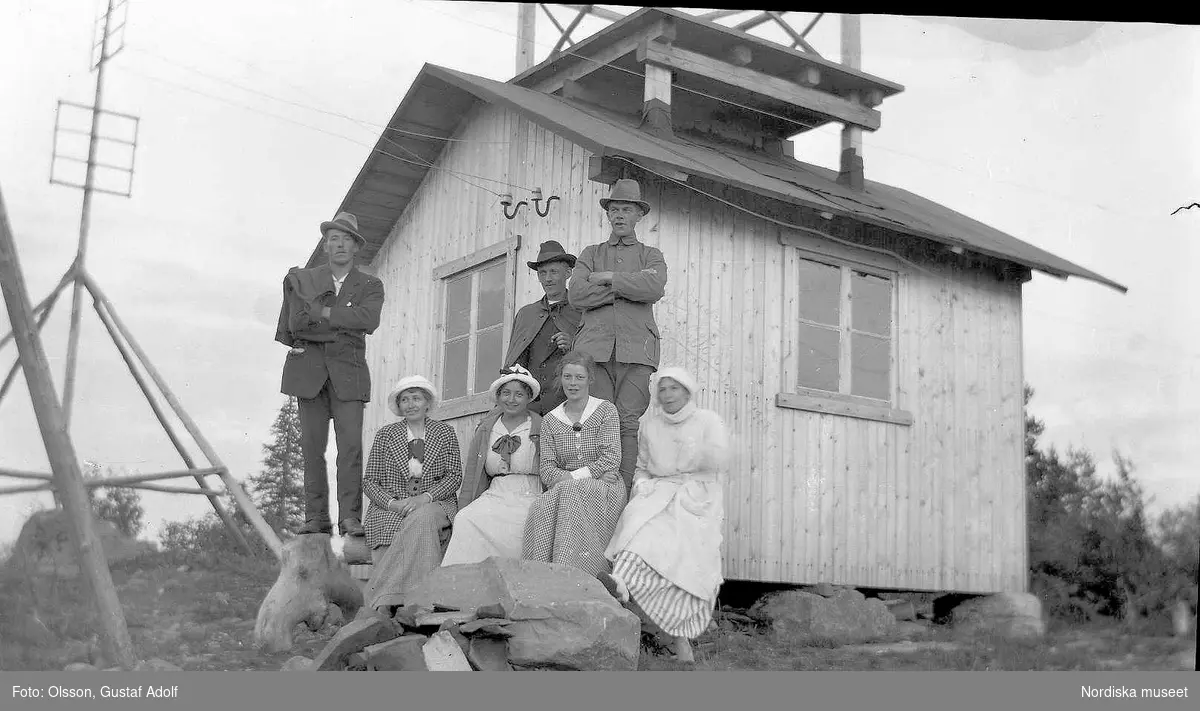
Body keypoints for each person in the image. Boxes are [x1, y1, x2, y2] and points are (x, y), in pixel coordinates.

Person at [599, 367, 728, 663]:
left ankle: (682, 643)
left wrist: (698, 465)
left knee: (677, 558)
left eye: (674, 388)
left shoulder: (708, 421)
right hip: (657, 492)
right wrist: (643, 486)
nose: (668, 395)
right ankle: (619, 583)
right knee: (637, 536)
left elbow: (718, 463)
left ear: (687, 391)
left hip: (696, 497)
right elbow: (643, 465)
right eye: (663, 389)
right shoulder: (651, 425)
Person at [275, 211, 384, 537]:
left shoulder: (370, 284)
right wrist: (341, 321)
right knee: (311, 448)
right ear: (325, 245)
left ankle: (350, 518)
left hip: (348, 376)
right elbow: (296, 324)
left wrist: (322, 313)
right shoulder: (305, 279)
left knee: (350, 448)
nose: (338, 244)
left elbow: (368, 320)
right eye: (333, 239)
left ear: (355, 247)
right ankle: (316, 518)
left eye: (345, 239)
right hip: (309, 375)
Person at [568, 179, 668, 494]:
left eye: (627, 209)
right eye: (614, 209)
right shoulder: (591, 253)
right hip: (593, 351)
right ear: (608, 214)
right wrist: (627, 288)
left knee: (627, 423)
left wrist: (610, 277)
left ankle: (621, 496)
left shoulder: (651, 254)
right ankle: (594, 493)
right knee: (595, 420)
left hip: (637, 352)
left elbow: (654, 288)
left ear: (639, 215)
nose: (619, 215)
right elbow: (577, 295)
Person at [360, 375, 462, 613]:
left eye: (416, 398)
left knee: (423, 518)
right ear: (399, 406)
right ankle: (390, 604)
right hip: (393, 505)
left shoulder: (445, 432)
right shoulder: (386, 435)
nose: (410, 404)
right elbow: (370, 482)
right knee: (389, 526)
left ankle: (417, 598)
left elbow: (454, 476)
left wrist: (424, 498)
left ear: (427, 402)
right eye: (404, 399)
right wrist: (393, 503)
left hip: (435, 502)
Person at [521, 350, 626, 577]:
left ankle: (575, 575)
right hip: (569, 486)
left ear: (590, 379)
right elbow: (547, 469)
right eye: (567, 377)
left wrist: (571, 478)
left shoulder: (605, 410)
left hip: (605, 489)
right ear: (561, 379)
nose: (573, 383)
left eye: (579, 377)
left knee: (568, 493)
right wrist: (577, 478)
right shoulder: (550, 420)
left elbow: (611, 459)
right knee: (540, 507)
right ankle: (540, 577)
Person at [440, 365, 544, 566]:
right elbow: (472, 474)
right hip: (496, 493)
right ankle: (464, 587)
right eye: (506, 393)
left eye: (518, 395)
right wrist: (464, 506)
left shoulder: (540, 426)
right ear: (498, 396)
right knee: (467, 519)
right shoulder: (487, 428)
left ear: (529, 398)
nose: (511, 400)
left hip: (529, 493)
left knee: (522, 527)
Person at [504, 241, 583, 416]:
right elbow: (514, 363)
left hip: (569, 405)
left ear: (568, 273)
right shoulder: (526, 314)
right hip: (531, 408)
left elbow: (593, 361)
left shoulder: (582, 311)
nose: (548, 279)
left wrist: (573, 346)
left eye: (554, 272)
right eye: (542, 273)